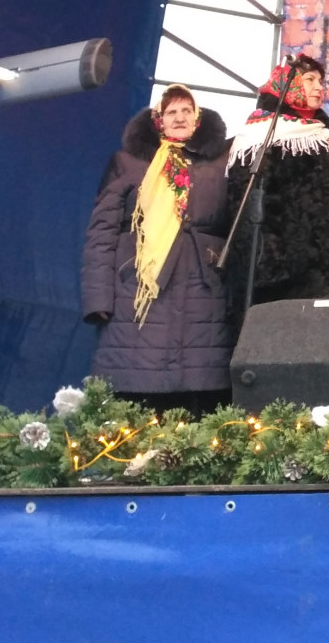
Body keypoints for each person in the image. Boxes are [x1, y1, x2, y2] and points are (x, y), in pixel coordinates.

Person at [82, 86, 233, 413]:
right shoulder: (128, 163)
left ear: (198, 118)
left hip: (203, 292)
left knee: (198, 398)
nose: (179, 118)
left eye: (187, 111)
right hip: (136, 291)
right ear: (158, 120)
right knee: (136, 399)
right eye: (171, 112)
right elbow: (102, 232)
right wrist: (97, 299)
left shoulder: (220, 163)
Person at [225, 55, 329, 312]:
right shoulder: (258, 137)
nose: (319, 87)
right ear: (288, 84)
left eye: (320, 81)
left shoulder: (324, 137)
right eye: (309, 80)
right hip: (282, 280)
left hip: (328, 271)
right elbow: (244, 207)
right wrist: (279, 263)